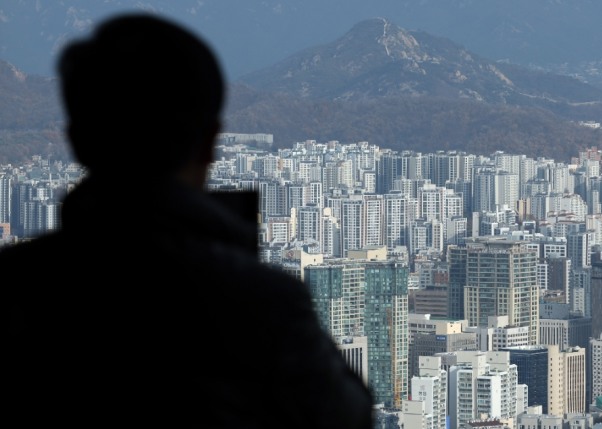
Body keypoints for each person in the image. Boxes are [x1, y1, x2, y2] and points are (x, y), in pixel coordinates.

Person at [1, 13, 373, 428]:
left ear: (76, 140)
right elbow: (347, 415)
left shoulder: (15, 287)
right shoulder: (263, 304)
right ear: (211, 141)